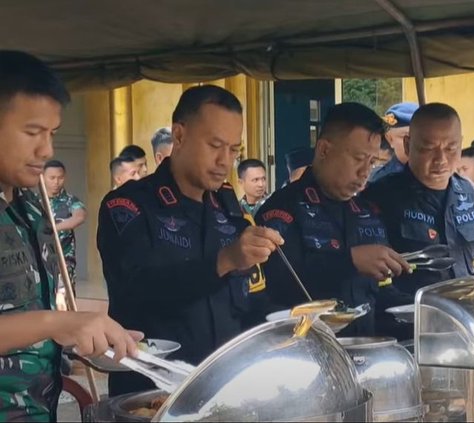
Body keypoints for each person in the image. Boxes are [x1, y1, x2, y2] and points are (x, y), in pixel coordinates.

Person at [97, 85, 283, 396]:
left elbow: (243, 300)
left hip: (226, 388)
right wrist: (225, 261)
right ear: (179, 136)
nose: (225, 161)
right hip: (153, 394)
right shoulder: (129, 205)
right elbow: (136, 290)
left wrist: (291, 318)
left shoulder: (225, 203)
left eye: (234, 149)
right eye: (215, 145)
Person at [0, 50, 142, 422]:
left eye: (52, 134)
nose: (46, 151)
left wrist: (85, 338)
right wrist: (60, 323)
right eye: (32, 132)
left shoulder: (29, 207)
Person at [256, 103, 410, 336]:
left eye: (372, 162)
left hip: (363, 349)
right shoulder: (282, 209)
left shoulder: (367, 211)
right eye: (358, 158)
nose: (365, 171)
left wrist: (419, 308)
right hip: (306, 350)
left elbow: (379, 294)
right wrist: (349, 261)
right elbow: (278, 284)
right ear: (324, 150)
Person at [363, 103, 474, 337]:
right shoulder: (379, 198)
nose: (441, 160)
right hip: (409, 333)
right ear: (408, 145)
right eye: (428, 148)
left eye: (451, 148)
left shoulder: (470, 193)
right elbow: (371, 283)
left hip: (467, 331)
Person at [43, 160, 86, 293]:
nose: (56, 182)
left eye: (60, 178)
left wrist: (54, 229)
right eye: (52, 178)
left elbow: (79, 216)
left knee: (64, 298)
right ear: (42, 177)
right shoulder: (35, 202)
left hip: (64, 259)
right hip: (42, 260)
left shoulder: (70, 200)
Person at [369, 102, 418, 183]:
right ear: (390, 139)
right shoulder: (379, 180)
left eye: (420, 137)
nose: (414, 143)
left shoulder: (441, 174)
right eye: (406, 137)